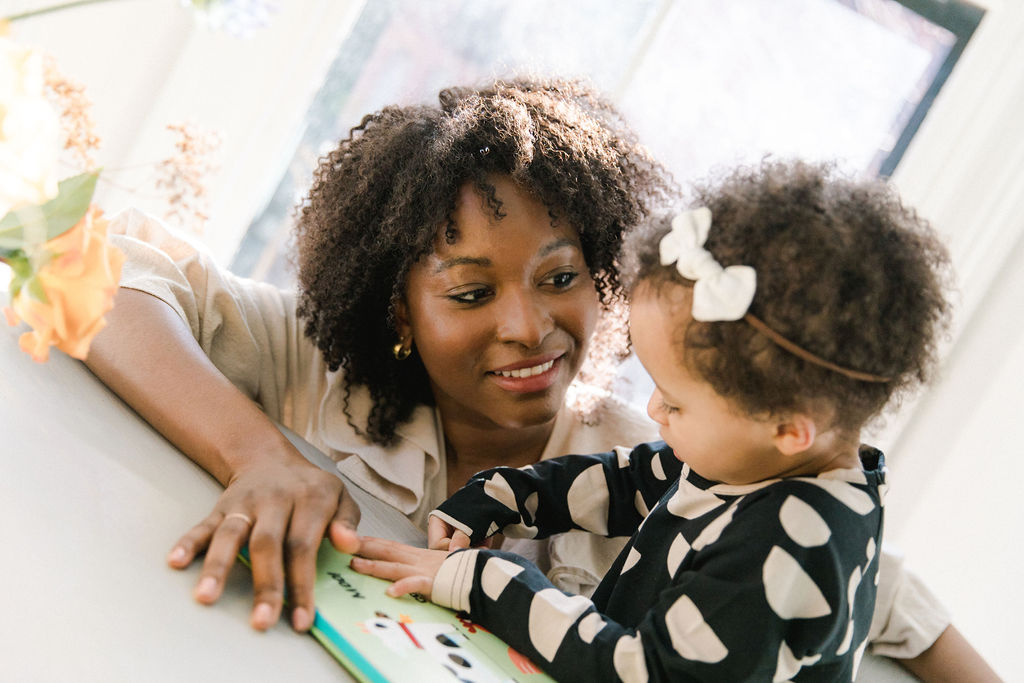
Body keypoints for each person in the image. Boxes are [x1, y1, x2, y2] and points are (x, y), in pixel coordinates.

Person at [85, 78, 996, 680]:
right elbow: (99, 276)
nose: (527, 323)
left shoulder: (703, 468)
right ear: (397, 306)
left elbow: (889, 597)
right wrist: (257, 455)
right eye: (472, 290)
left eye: (560, 278)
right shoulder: (312, 369)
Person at [347, 159, 948, 681]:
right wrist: (503, 496)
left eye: (676, 401)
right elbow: (627, 482)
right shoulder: (756, 460)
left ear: (790, 426)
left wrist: (481, 580)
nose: (654, 410)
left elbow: (641, 672)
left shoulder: (788, 546)